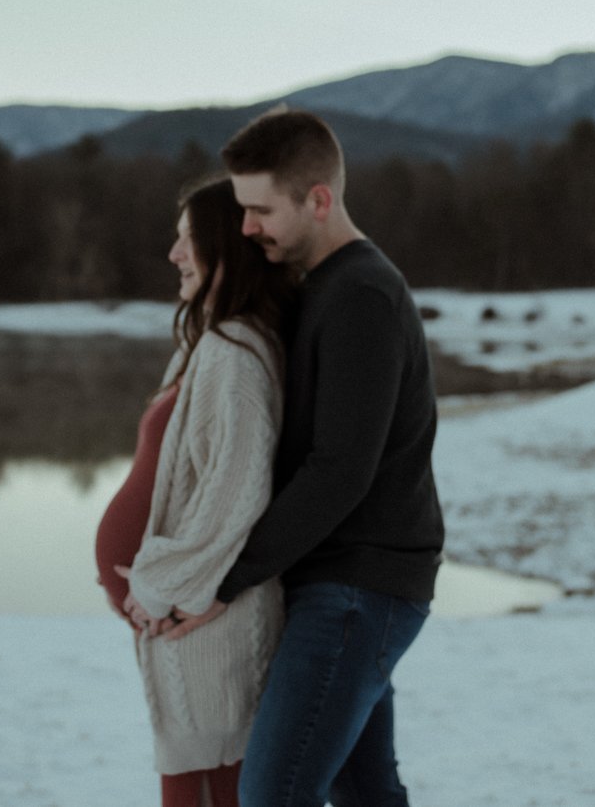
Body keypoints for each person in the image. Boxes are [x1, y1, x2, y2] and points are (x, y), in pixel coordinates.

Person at [165, 107, 444, 807]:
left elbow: (340, 471)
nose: (249, 226)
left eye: (261, 210)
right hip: (347, 585)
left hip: (359, 590)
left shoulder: (361, 297)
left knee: (273, 796)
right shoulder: (325, 287)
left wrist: (222, 581)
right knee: (367, 791)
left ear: (319, 200)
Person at [94, 177, 296, 807]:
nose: (174, 256)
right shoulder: (206, 343)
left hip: (202, 617)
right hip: (179, 612)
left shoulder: (234, 355)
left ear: (220, 248)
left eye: (186, 242)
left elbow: (235, 495)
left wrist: (158, 584)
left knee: (215, 789)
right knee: (192, 780)